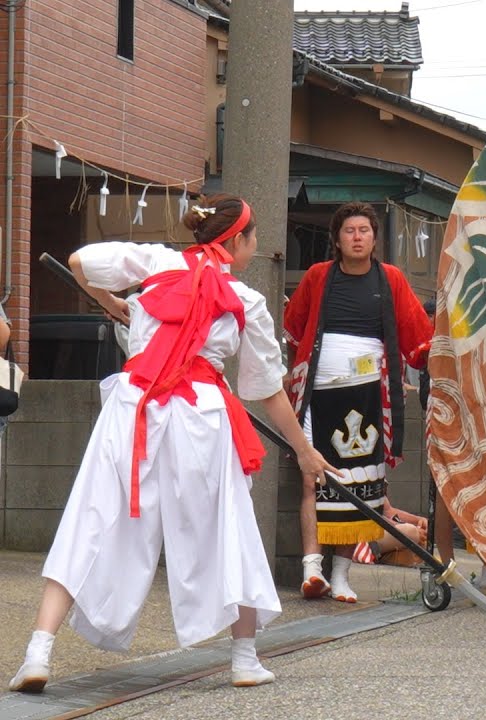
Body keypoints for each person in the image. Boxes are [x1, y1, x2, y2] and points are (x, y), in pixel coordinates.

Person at [8, 195, 337, 693]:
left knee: (90, 517)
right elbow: (267, 389)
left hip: (134, 405)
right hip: (200, 414)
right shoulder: (246, 301)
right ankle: (244, 659)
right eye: (253, 239)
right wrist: (305, 451)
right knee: (226, 527)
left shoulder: (157, 261)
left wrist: (113, 303)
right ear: (238, 241)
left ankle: (38, 652)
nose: (255, 247)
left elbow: (78, 262)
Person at [284, 202, 434, 604]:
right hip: (317, 390)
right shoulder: (318, 276)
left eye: (363, 230)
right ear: (336, 239)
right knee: (312, 477)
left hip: (370, 393)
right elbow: (294, 327)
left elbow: (417, 333)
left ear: (374, 238)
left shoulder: (391, 279)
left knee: (361, 485)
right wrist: (294, 373)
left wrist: (440, 357)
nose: (356, 237)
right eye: (349, 231)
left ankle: (342, 574)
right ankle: (312, 569)